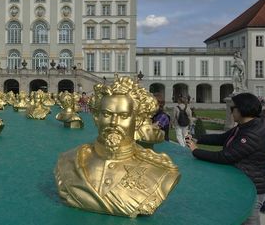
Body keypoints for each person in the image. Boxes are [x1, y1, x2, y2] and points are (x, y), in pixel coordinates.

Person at [55, 77, 180, 217]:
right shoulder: (68, 160)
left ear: (137, 120)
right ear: (96, 117)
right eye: (107, 114)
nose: (114, 123)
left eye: (123, 115)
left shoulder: (161, 171)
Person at [186, 93, 265, 225]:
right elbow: (223, 138)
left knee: (249, 222)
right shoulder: (245, 126)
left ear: (242, 109)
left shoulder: (252, 133)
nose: (231, 112)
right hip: (242, 185)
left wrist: (196, 151)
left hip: (252, 189)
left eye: (233, 108)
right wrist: (198, 138)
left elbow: (225, 156)